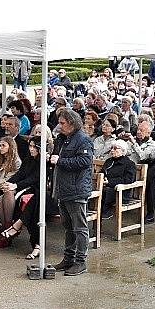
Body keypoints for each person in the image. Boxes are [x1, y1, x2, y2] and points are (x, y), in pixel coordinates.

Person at [51, 108, 93, 277]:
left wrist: (61, 161)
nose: (59, 126)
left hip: (76, 189)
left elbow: (85, 161)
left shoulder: (83, 140)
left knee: (79, 227)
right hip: (64, 188)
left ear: (72, 123)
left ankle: (81, 261)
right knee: (68, 227)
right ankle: (68, 258)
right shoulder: (63, 139)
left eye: (62, 123)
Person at [0, 136, 51, 258]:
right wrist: (9, 183)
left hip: (35, 189)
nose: (31, 149)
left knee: (8, 194)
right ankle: (9, 230)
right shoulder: (27, 160)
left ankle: (9, 232)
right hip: (23, 187)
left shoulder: (43, 162)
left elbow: (34, 179)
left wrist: (15, 185)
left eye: (34, 147)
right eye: (30, 146)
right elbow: (20, 174)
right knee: (1, 197)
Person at [99, 140, 136, 220]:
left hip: (121, 192)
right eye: (111, 148)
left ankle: (103, 212)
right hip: (106, 187)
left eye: (115, 148)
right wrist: (103, 177)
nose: (112, 150)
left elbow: (128, 179)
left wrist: (109, 182)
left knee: (105, 191)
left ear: (123, 151)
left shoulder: (129, 164)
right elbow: (102, 172)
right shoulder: (109, 161)